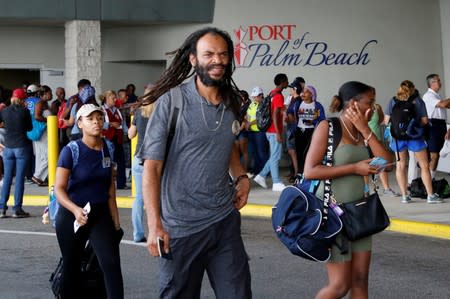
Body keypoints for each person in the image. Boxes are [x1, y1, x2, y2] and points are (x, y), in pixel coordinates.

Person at [139, 27, 252, 298]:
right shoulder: (172, 102)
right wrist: (154, 225)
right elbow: (151, 167)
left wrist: (241, 177)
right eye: (209, 54)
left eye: (223, 54)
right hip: (180, 228)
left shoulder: (233, 102)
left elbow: (227, 148)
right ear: (193, 59)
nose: (218, 60)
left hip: (224, 221)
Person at [304, 81, 392, 299]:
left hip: (361, 215)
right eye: (369, 102)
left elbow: (388, 163)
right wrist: (354, 167)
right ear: (353, 103)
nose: (373, 107)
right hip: (335, 215)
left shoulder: (363, 131)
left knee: (361, 281)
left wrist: (366, 130)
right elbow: (310, 171)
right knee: (340, 285)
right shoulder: (328, 127)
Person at [54, 104, 124, 299]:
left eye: (99, 118)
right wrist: (75, 210)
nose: (96, 122)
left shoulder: (108, 148)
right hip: (72, 215)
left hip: (100, 213)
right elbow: (59, 189)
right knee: (72, 265)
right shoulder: (71, 150)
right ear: (80, 123)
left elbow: (110, 189)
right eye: (90, 118)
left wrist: (116, 225)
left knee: (111, 264)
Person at [385, 80, 441, 203]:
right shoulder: (418, 101)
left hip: (398, 138)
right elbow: (425, 120)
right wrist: (414, 126)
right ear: (413, 88)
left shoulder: (393, 101)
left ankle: (405, 196)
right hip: (415, 137)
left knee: (400, 166)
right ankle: (430, 196)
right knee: (424, 166)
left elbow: (386, 121)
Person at [127, 83, 154, 243]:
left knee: (139, 198)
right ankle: (155, 232)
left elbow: (131, 135)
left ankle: (138, 233)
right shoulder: (160, 111)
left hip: (138, 158)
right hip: (153, 159)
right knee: (156, 197)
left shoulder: (139, 111)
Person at [253, 73, 289, 192]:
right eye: (286, 81)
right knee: (275, 157)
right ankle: (276, 182)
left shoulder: (272, 93)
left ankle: (261, 175)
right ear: (282, 82)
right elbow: (274, 114)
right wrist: (279, 133)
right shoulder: (278, 96)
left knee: (275, 155)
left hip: (269, 130)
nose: (287, 83)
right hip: (274, 131)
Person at [0, 88, 32, 218]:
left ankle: (2, 208)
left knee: (7, 178)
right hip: (21, 147)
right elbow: (29, 128)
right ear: (22, 99)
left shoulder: (4, 111)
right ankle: (17, 209)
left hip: (8, 148)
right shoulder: (24, 111)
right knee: (19, 179)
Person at [289, 84, 325, 175]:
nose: (303, 93)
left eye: (306, 92)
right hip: (300, 131)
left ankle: (309, 173)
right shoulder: (298, 104)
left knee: (310, 153)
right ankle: (300, 174)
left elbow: (322, 119)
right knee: (299, 153)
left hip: (311, 132)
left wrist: (312, 122)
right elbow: (290, 113)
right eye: (302, 92)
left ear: (312, 94)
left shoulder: (317, 105)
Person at [422, 74, 450, 180]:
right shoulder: (428, 95)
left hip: (440, 124)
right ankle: (429, 179)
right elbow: (443, 105)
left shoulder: (437, 95)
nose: (440, 82)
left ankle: (430, 178)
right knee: (434, 154)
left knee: (437, 153)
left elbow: (446, 104)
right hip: (433, 125)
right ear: (431, 83)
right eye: (437, 80)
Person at [368, 103, 399, 196]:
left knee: (381, 164)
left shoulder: (376, 108)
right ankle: (366, 191)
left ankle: (386, 189)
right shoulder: (362, 110)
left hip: (377, 141)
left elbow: (382, 120)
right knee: (366, 165)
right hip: (367, 141)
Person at [100, 90, 129, 189]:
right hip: (108, 139)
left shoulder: (118, 110)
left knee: (121, 161)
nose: (115, 100)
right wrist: (111, 124)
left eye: (115, 98)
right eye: (113, 98)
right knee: (108, 162)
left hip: (119, 139)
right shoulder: (101, 110)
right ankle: (107, 184)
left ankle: (121, 184)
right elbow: (99, 124)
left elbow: (123, 125)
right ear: (107, 99)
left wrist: (129, 133)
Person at [31, 85, 53, 187]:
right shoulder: (40, 103)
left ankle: (39, 177)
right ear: (44, 94)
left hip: (44, 132)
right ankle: (37, 175)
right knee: (49, 155)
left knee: (41, 156)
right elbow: (37, 116)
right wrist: (49, 121)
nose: (51, 95)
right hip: (43, 133)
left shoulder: (44, 103)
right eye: (50, 93)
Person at [246, 86, 268, 176]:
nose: (254, 98)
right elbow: (248, 115)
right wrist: (247, 122)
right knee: (255, 152)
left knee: (261, 152)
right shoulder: (252, 104)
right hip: (252, 132)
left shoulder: (264, 105)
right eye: (253, 96)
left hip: (260, 132)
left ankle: (265, 171)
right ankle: (257, 170)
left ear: (261, 95)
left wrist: (250, 124)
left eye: (255, 96)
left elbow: (260, 118)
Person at [236, 90, 251, 172]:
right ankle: (238, 170)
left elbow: (246, 120)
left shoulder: (247, 106)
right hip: (236, 131)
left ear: (244, 97)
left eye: (240, 96)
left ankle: (245, 171)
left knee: (244, 151)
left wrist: (239, 129)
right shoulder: (237, 106)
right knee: (237, 152)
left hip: (242, 131)